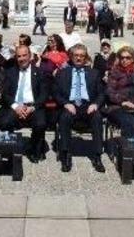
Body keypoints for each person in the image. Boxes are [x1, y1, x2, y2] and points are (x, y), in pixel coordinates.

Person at [54, 44, 106, 173]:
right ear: (71, 57)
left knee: (97, 117)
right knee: (64, 117)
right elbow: (55, 92)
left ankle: (97, 156)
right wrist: (65, 103)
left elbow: (102, 93)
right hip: (70, 105)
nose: (78, 58)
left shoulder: (94, 73)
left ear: (85, 58)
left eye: (81, 56)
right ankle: (65, 154)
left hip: (88, 106)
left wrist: (96, 104)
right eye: (76, 55)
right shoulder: (62, 73)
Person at [0, 45, 48, 162]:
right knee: (5, 122)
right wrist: (16, 107)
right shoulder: (10, 72)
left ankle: (33, 147)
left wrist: (33, 107)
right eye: (19, 56)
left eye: (24, 55)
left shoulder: (39, 72)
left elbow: (44, 94)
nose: (22, 59)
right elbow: (5, 94)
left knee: (40, 123)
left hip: (33, 106)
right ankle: (9, 147)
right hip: (16, 105)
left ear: (30, 56)